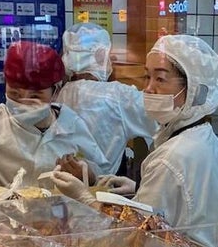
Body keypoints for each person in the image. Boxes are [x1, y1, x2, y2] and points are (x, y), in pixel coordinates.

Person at [52, 35, 218, 247]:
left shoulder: (172, 157)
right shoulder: (202, 136)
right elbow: (178, 208)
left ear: (194, 90)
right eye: (147, 77)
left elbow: (137, 234)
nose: (148, 89)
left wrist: (85, 198)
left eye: (160, 79)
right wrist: (137, 191)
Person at [0, 40, 107, 187]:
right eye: (15, 94)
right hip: (3, 209)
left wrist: (88, 177)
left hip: (60, 209)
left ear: (56, 91)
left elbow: (103, 177)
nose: (24, 103)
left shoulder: (72, 126)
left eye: (35, 97)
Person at [54, 23, 155, 177]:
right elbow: (160, 119)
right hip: (105, 188)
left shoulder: (60, 93)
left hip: (63, 182)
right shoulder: (118, 96)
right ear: (101, 56)